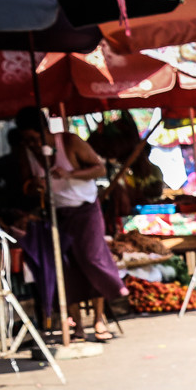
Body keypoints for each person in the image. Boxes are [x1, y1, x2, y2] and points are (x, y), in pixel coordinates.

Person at [15, 107, 128, 342]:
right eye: (27, 140)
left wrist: (70, 175)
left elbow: (100, 168)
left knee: (90, 258)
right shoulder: (26, 153)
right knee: (65, 267)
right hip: (57, 213)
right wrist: (34, 186)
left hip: (85, 209)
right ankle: (76, 324)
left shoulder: (70, 142)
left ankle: (99, 318)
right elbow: (25, 185)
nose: (32, 144)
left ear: (45, 130)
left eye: (35, 139)